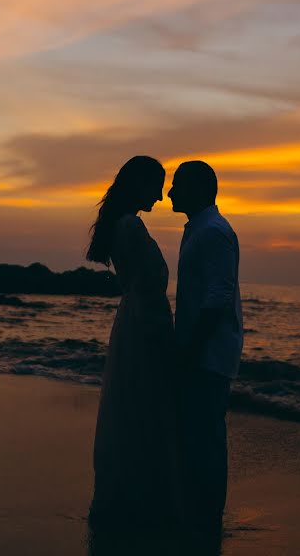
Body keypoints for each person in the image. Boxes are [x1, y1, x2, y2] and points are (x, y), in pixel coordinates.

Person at [86, 155, 181, 531]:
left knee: (134, 409)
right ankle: (138, 501)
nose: (159, 197)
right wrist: (165, 340)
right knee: (142, 410)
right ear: (139, 184)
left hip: (134, 322)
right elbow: (147, 287)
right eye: (156, 186)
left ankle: (132, 495)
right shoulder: (130, 227)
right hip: (143, 325)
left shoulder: (126, 225)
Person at [168, 161, 243, 537]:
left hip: (208, 356)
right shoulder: (200, 229)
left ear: (198, 188)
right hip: (201, 353)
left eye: (177, 185)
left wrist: (191, 351)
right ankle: (198, 511)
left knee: (207, 437)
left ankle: (207, 518)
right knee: (196, 435)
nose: (169, 193)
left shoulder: (213, 232)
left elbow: (218, 297)